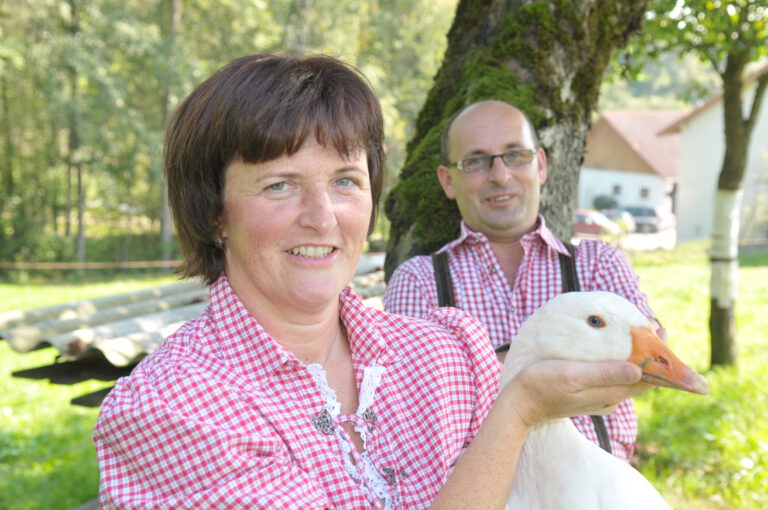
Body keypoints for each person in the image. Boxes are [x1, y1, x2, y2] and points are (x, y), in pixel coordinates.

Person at [93, 55, 649, 509]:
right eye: (280, 185)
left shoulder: (447, 356)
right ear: (214, 211)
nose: (323, 218)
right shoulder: (171, 408)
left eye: (345, 181)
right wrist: (517, 411)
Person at [384, 99, 665, 462]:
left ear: (541, 165)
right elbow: (413, 405)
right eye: (475, 161)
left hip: (595, 484)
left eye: (516, 155)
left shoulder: (598, 263)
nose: (500, 176)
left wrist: (475, 371)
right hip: (480, 487)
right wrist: (577, 362)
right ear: (448, 181)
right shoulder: (419, 281)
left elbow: (647, 362)